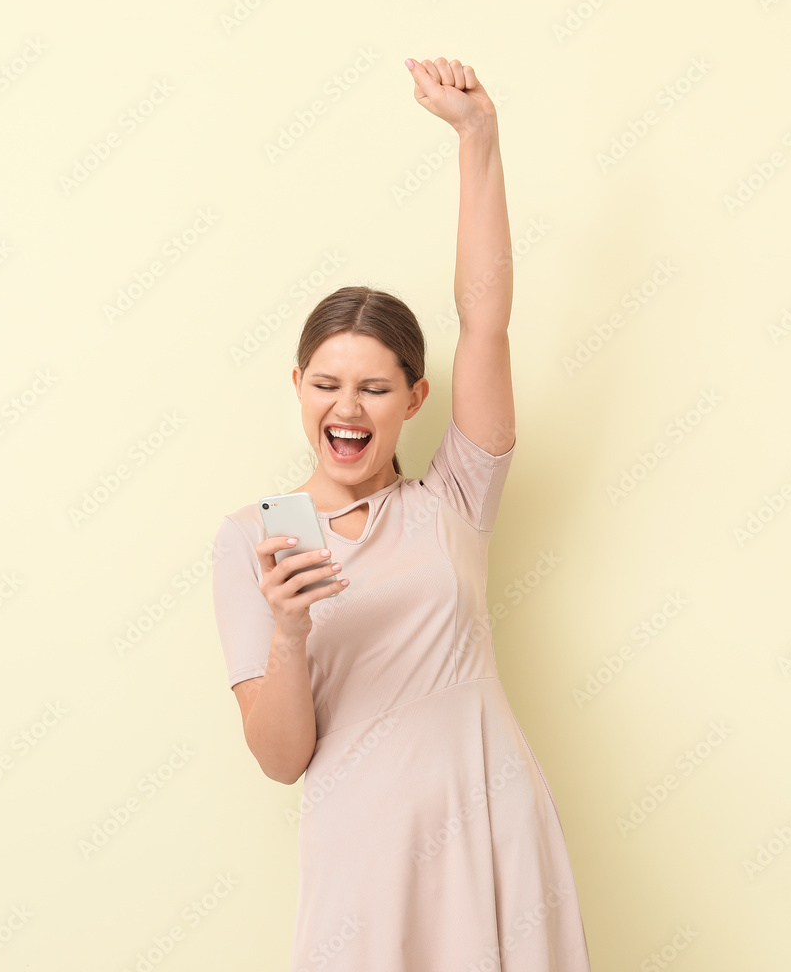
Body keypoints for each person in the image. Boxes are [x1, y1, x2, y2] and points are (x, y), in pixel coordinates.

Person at [212, 57, 592, 971]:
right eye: (329, 385)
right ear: (298, 388)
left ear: (415, 398)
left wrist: (477, 140)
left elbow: (486, 319)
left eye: (376, 388)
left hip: (492, 826)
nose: (349, 408)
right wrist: (291, 631)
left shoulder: (455, 498)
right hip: (363, 861)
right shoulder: (254, 539)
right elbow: (280, 759)